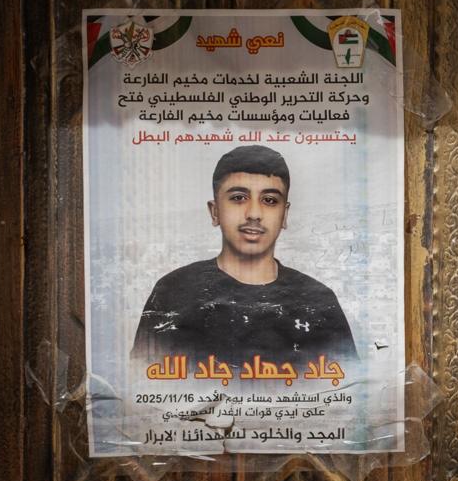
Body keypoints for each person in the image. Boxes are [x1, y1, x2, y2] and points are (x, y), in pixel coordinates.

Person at [131, 145, 357, 369]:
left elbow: (348, 392)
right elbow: (141, 388)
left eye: (269, 200)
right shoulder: (173, 292)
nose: (254, 214)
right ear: (215, 211)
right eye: (239, 197)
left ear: (284, 215)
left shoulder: (318, 302)